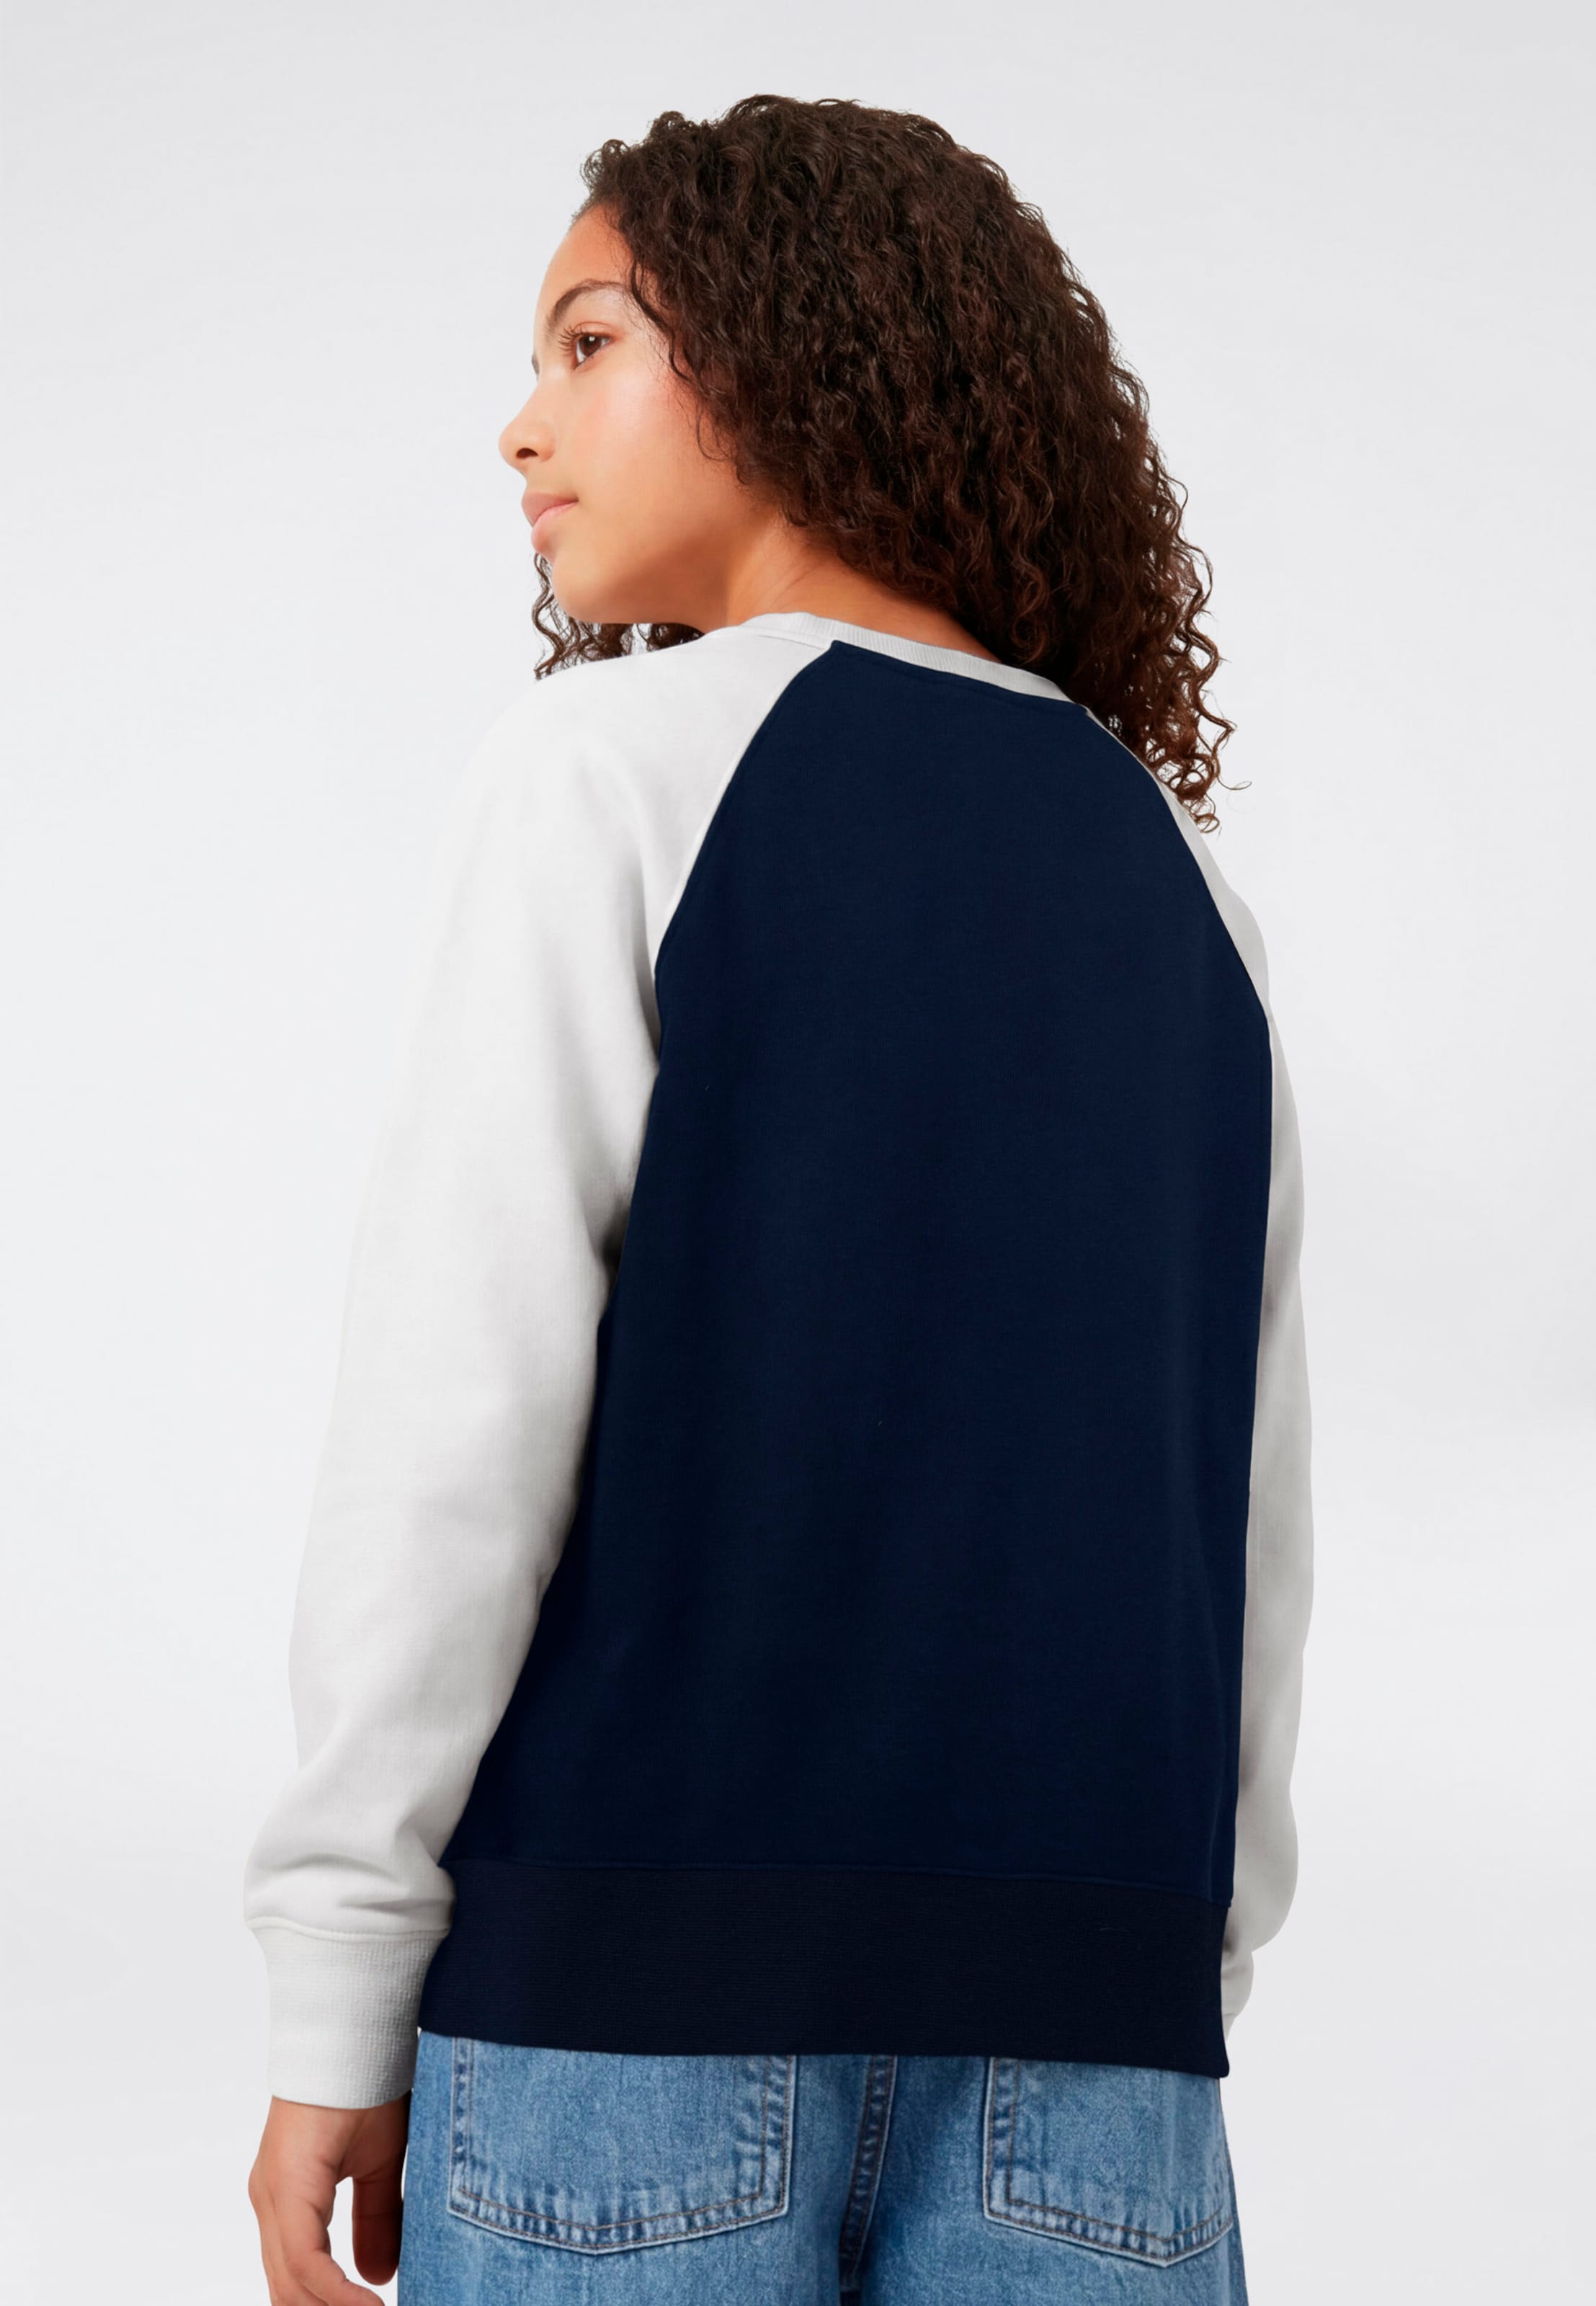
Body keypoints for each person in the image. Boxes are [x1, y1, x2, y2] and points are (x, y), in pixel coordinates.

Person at [242, 92, 1313, 2306]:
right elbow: (1247, 1507)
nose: (522, 425)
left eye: (588, 343)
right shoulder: (1174, 867)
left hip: (630, 2022)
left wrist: (341, 1974)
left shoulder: (610, 773)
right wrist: (1178, 1977)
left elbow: (459, 1416)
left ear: (782, 351)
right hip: (1099, 2050)